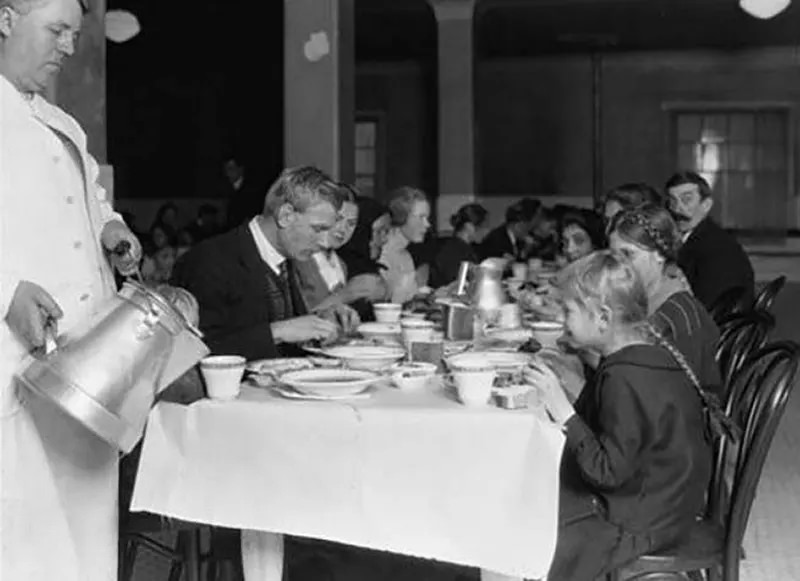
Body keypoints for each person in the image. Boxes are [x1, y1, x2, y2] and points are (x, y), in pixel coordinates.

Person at [0, 1, 143, 579]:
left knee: (88, 530)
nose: (67, 47)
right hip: (16, 366)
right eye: (55, 29)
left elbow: (90, 200)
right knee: (29, 539)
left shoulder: (64, 124)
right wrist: (5, 291)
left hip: (87, 369)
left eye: (74, 35)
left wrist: (110, 226)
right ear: (6, 18)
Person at [525, 250, 725, 581]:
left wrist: (561, 409)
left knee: (535, 522)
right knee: (540, 493)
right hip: (668, 500)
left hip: (644, 516)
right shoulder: (640, 354)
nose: (562, 320)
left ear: (603, 318)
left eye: (568, 311)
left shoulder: (624, 378)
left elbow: (607, 472)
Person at [172, 166, 359, 361]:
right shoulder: (212, 260)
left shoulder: (286, 254)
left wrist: (319, 322)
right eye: (318, 229)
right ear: (286, 215)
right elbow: (197, 351)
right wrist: (276, 332)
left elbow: (284, 327)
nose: (324, 241)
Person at [608, 204, 721, 393]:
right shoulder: (650, 297)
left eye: (628, 254)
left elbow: (651, 390)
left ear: (660, 254)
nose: (619, 266)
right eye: (613, 257)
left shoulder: (672, 317)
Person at [665, 171, 755, 311]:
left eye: (686, 199)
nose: (677, 209)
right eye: (672, 200)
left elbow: (708, 308)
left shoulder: (717, 247)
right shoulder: (689, 238)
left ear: (706, 205)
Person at [294, 183, 387, 311]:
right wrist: (346, 294)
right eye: (338, 219)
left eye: (351, 223)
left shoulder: (340, 264)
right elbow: (295, 321)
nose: (343, 229)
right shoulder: (299, 258)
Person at [379, 186, 432, 304]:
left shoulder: (405, 256)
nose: (427, 224)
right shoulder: (381, 253)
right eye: (421, 217)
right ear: (401, 216)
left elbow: (409, 300)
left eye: (427, 218)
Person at [430, 203, 488, 289]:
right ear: (469, 227)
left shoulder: (463, 247)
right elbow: (456, 284)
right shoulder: (454, 251)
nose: (486, 231)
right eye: (483, 226)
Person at [224, 156, 264, 230]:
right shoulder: (227, 188)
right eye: (226, 170)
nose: (228, 173)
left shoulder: (251, 190)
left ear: (240, 169)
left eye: (231, 169)